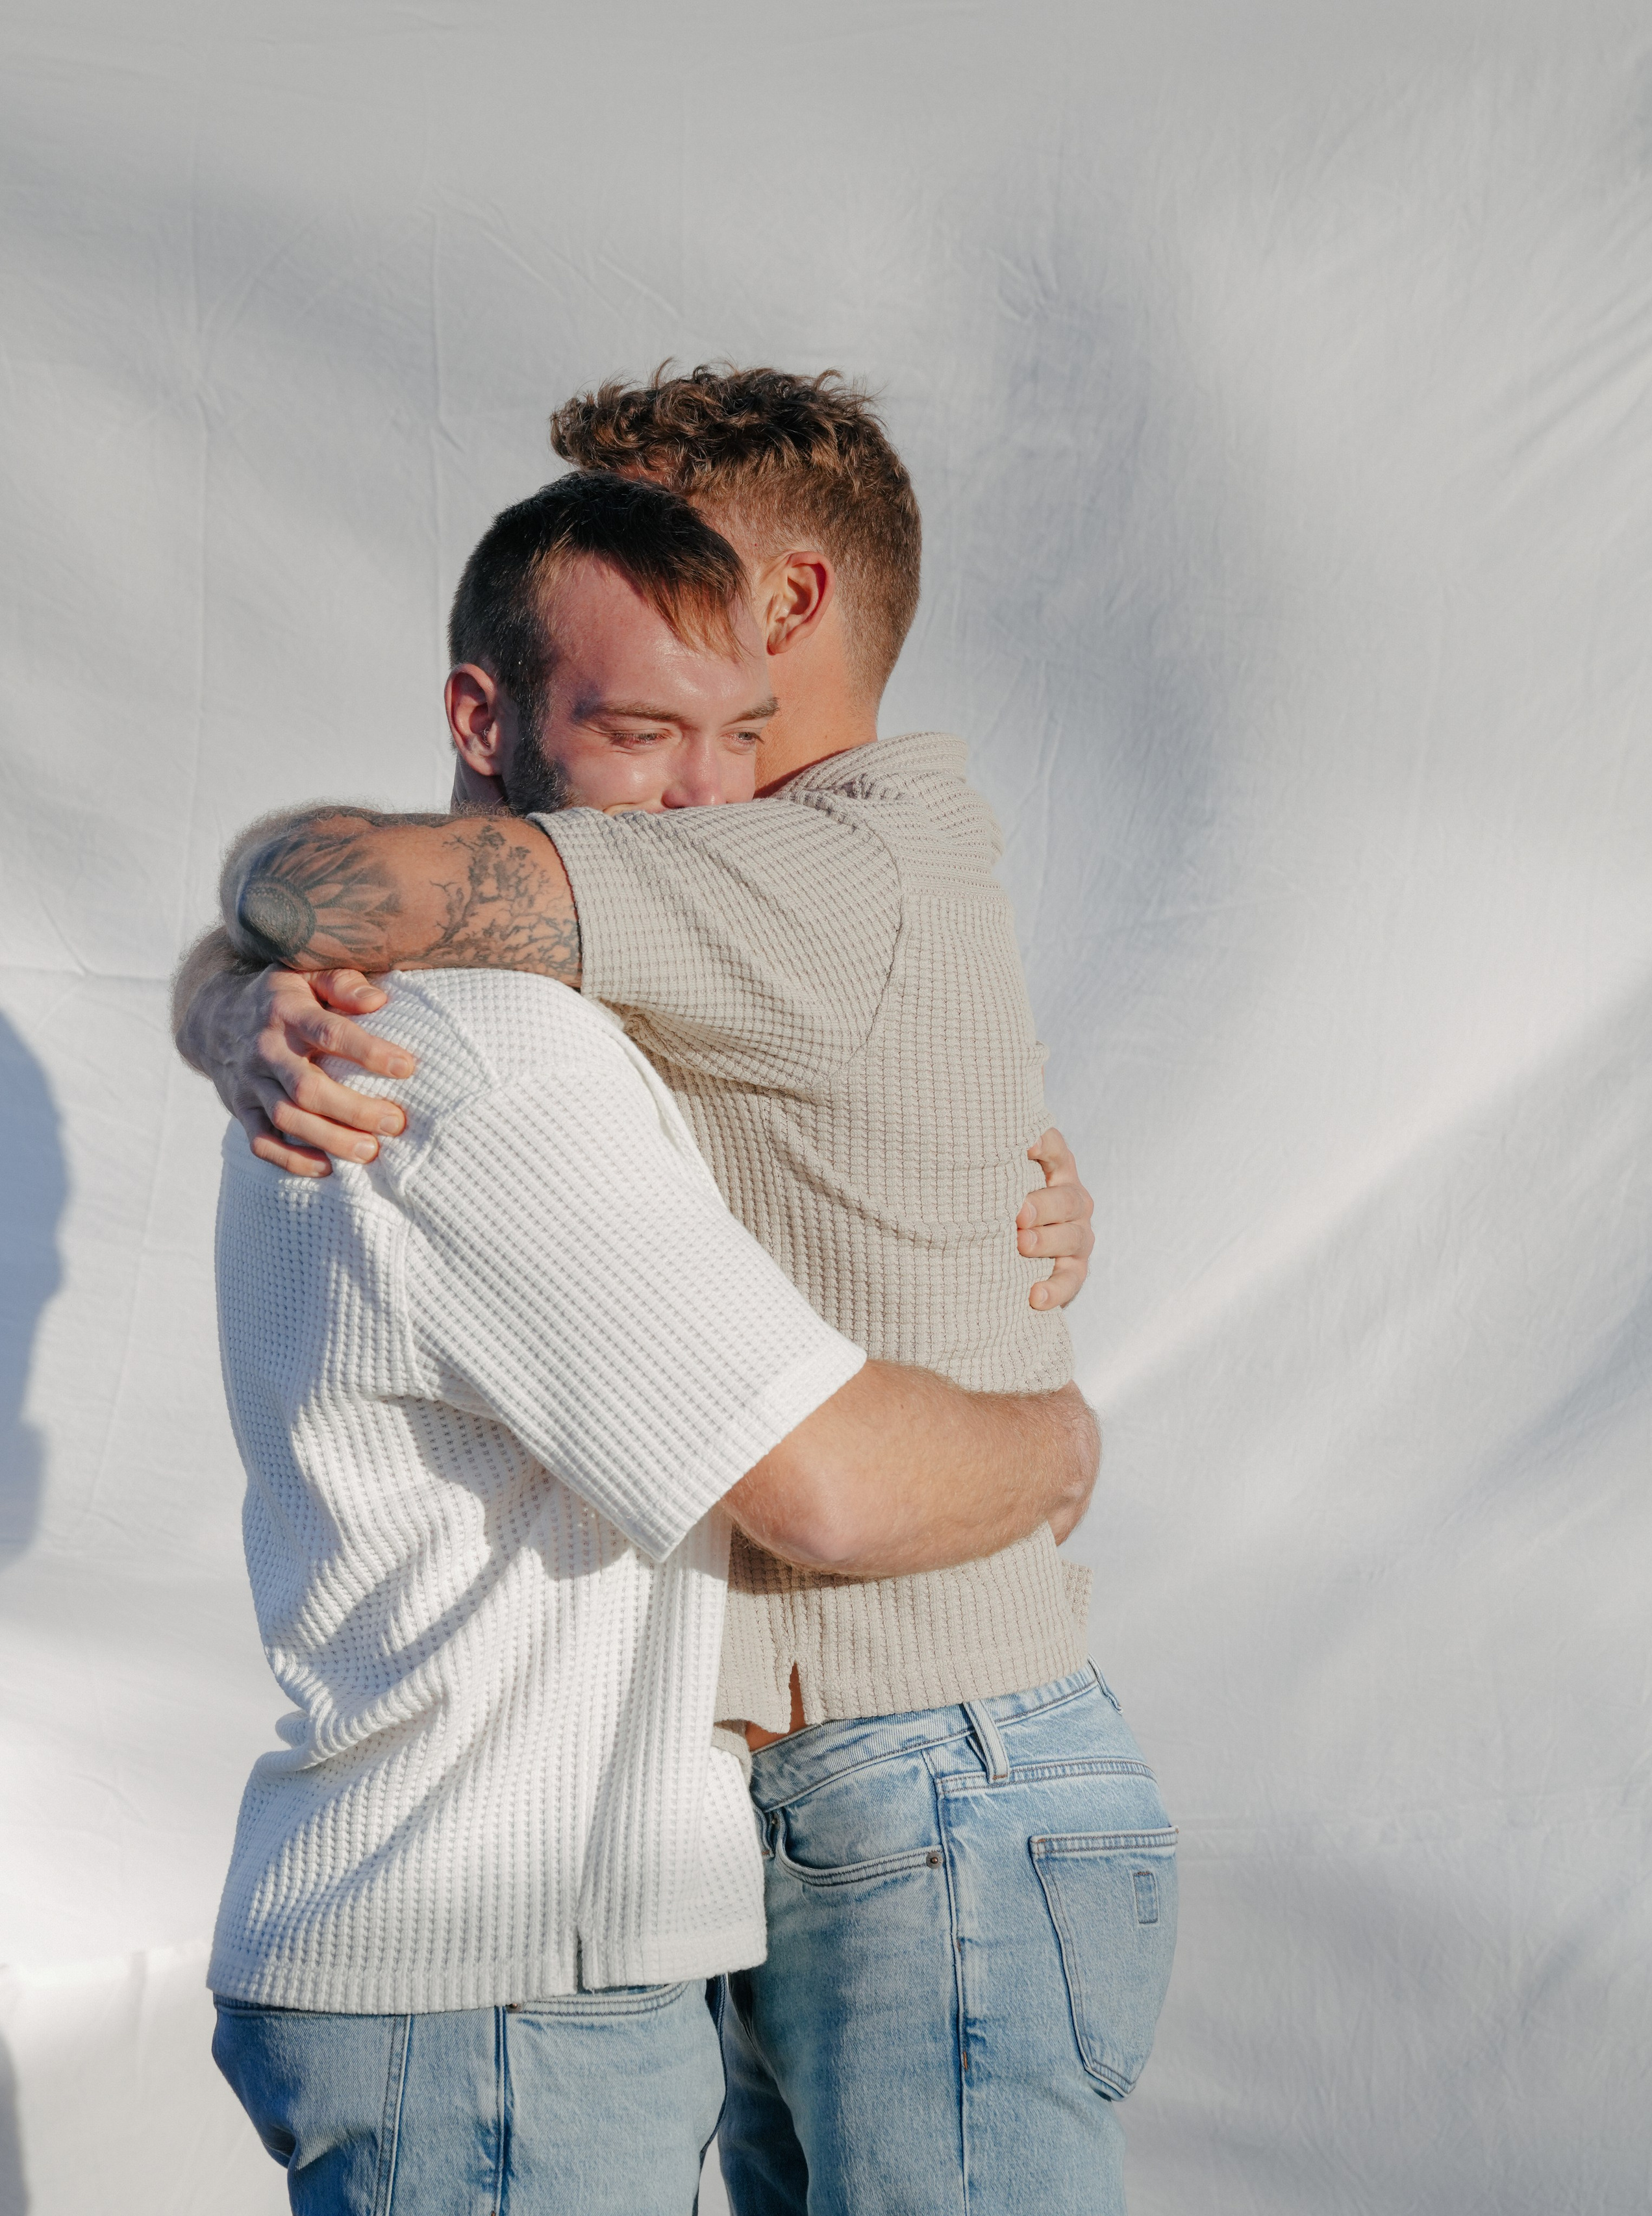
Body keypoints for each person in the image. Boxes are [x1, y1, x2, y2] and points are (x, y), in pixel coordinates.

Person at [177, 367, 1178, 2215]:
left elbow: (336, 881)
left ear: (787, 602)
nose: (626, 573)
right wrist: (238, 1005)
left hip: (927, 1777)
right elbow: (373, 930)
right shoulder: (681, 912)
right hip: (790, 1802)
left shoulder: (787, 867)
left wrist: (1066, 1444)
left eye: (664, 549)